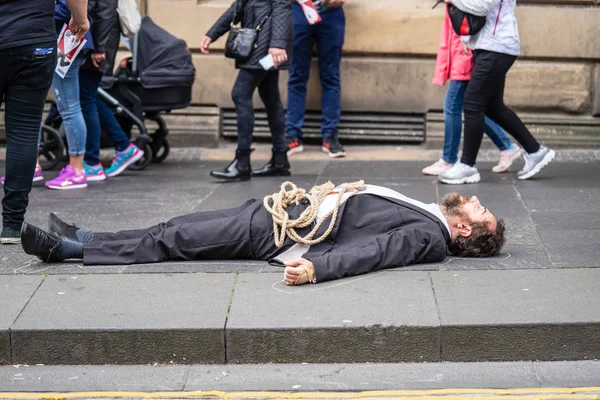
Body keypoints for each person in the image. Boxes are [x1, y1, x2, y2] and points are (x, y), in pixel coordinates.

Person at [20, 181, 505, 285]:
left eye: (481, 211)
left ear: (463, 231)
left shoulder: (429, 236)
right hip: (287, 211)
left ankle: (68, 251)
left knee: (176, 239)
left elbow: (378, 252)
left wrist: (318, 268)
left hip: (280, 233)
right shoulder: (430, 214)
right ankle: (85, 235)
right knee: (178, 228)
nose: (477, 200)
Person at [0, 0, 89, 244]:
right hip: (34, 39)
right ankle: (11, 224)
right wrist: (80, 18)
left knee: (25, 132)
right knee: (24, 132)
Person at [438, 0, 555, 184]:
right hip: (488, 45)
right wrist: (466, 39)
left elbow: (482, 6)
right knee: (493, 107)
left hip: (498, 46)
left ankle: (467, 165)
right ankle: (535, 151)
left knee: (472, 104)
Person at [201, 0, 293, 181]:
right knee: (270, 97)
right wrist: (213, 33)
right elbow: (239, 5)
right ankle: (280, 160)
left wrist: (277, 43)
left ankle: (242, 162)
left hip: (265, 43)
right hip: (259, 40)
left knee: (240, 93)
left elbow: (282, 5)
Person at [422, 6, 521, 176]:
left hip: (465, 51)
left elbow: (476, 12)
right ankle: (507, 146)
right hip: (462, 49)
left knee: (454, 105)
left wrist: (466, 39)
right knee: (472, 109)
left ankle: (449, 159)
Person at [79, 0, 143, 182]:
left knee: (86, 98)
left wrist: (98, 47)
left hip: (97, 45)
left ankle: (93, 162)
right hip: (95, 42)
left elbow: (105, 11)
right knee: (87, 97)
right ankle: (123, 146)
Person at [44, 0, 96, 190]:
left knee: (69, 105)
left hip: (67, 36)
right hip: (66, 35)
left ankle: (76, 170)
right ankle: (75, 168)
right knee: (68, 105)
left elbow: (70, 7)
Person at [285, 0, 347, 159]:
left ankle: (330, 135)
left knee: (331, 76)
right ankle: (292, 135)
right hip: (299, 9)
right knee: (296, 76)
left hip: (331, 11)